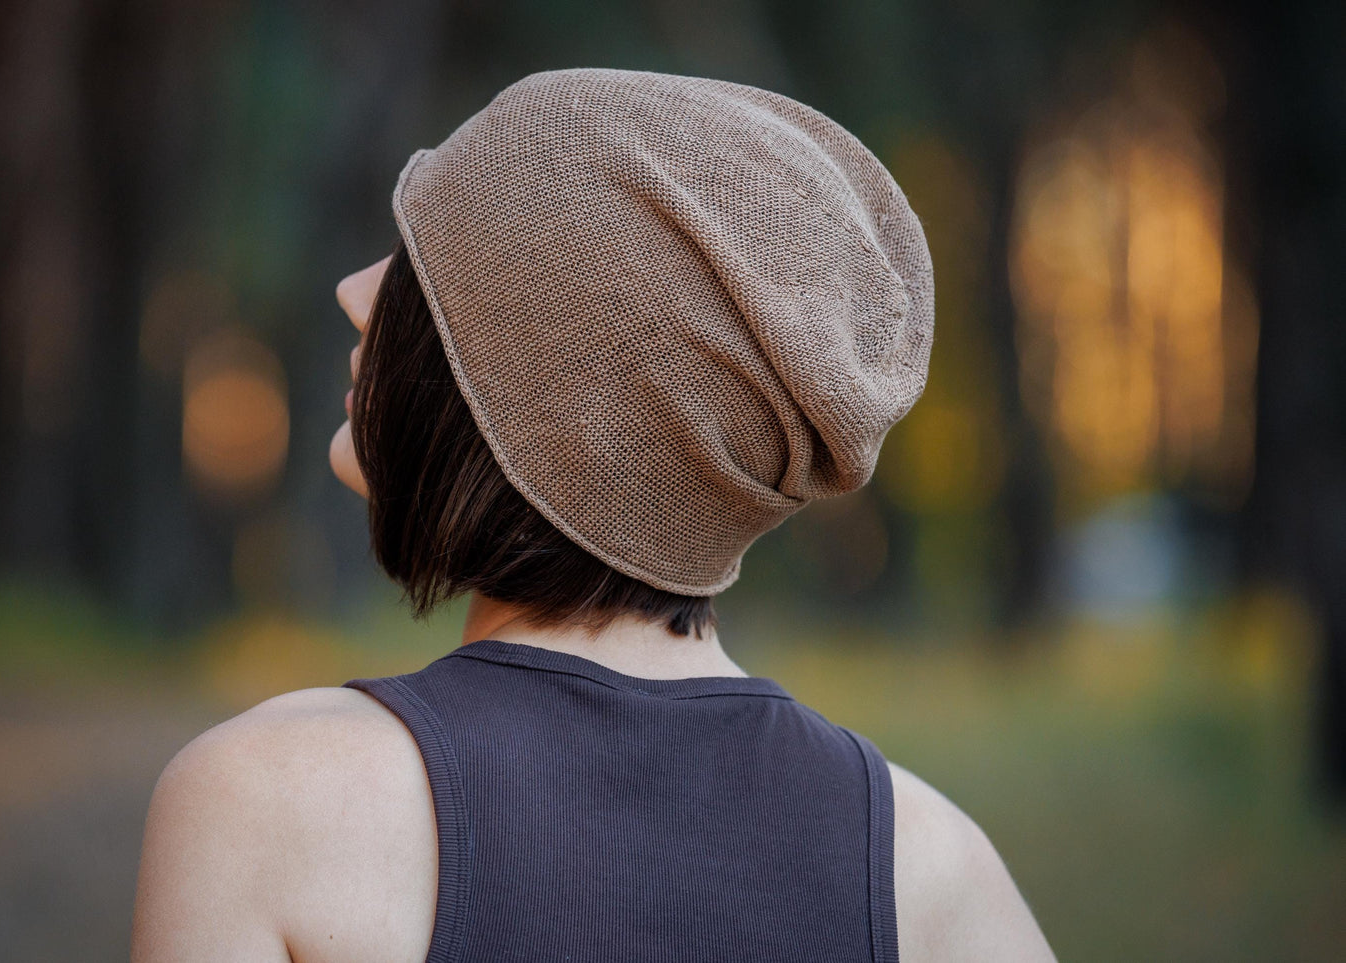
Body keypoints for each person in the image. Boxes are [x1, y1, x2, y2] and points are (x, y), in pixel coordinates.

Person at [131, 68, 1055, 962]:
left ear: (545, 399)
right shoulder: (929, 867)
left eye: (424, 274)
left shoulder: (265, 802)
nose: (359, 290)